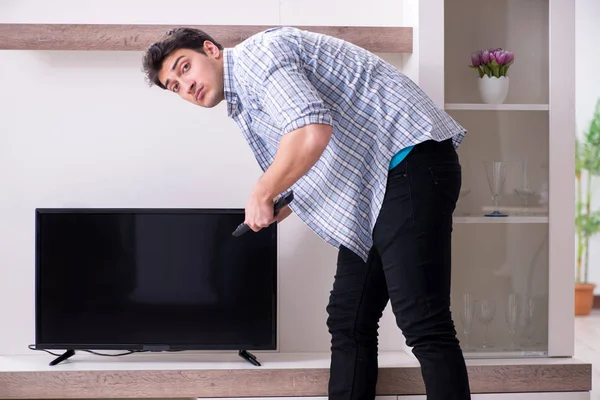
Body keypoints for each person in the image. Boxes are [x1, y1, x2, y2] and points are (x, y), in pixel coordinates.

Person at [142, 26, 472, 400]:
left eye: (184, 68)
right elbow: (307, 156)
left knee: (423, 321)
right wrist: (280, 200)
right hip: (377, 186)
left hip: (408, 162)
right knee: (348, 319)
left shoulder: (258, 57)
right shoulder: (242, 100)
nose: (185, 86)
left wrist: (263, 190)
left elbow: (311, 128)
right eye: (174, 86)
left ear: (211, 50)